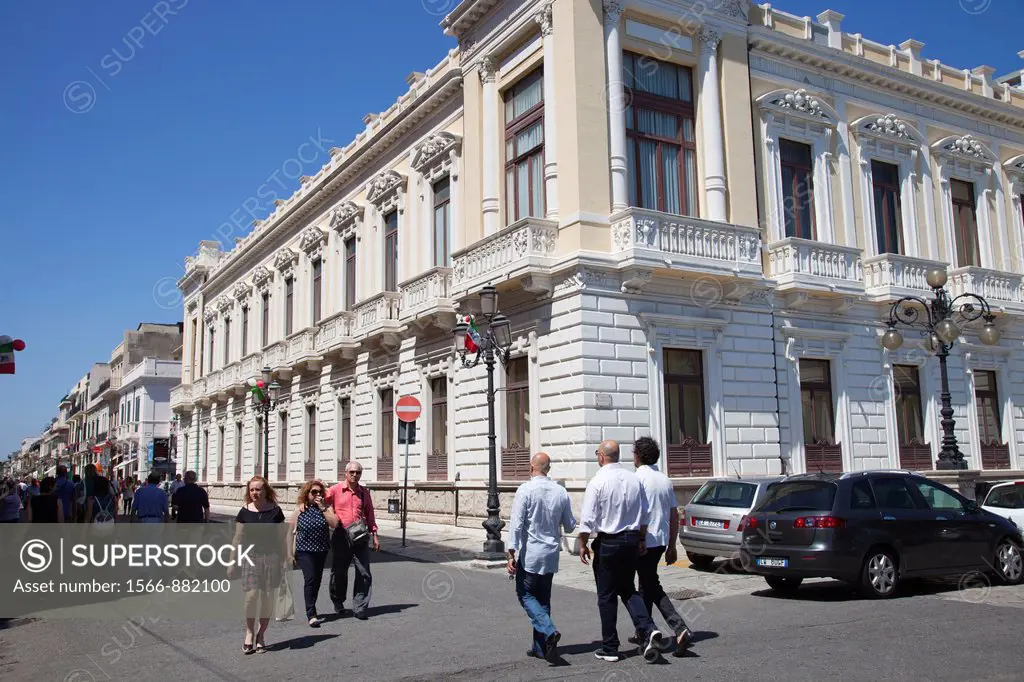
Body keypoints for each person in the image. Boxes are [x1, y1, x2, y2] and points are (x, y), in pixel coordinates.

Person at [578, 440, 663, 664]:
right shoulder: (634, 479)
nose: (597, 456)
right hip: (632, 541)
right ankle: (648, 628)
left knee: (606, 596)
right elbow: (646, 514)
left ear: (603, 456)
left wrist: (583, 543)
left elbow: (587, 519)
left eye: (597, 453)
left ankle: (610, 647)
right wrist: (642, 538)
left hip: (609, 542)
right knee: (628, 589)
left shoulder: (598, 481)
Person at [506, 452, 577, 663]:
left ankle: (549, 630)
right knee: (543, 599)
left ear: (531, 467)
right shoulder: (561, 492)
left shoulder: (525, 490)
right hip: (551, 554)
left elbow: (517, 523)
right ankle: (541, 648)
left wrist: (511, 551)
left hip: (531, 555)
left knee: (525, 594)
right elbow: (571, 525)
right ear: (548, 469)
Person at [631, 437, 691, 656]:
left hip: (644, 540)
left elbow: (639, 513)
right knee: (646, 585)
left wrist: (639, 539)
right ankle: (643, 632)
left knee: (650, 586)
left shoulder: (637, 478)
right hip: (661, 541)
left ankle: (679, 627)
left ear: (638, 455)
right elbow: (674, 515)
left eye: (633, 453)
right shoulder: (664, 479)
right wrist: (672, 544)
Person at [230, 476, 287, 654]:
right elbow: (237, 538)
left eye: (258, 489)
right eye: (252, 489)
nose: (255, 492)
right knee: (251, 596)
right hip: (251, 557)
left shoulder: (276, 512)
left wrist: (285, 560)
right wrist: (231, 562)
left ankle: (261, 634)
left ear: (265, 490)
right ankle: (249, 632)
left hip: (272, 558)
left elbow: (281, 538)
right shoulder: (244, 512)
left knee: (268, 598)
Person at [325, 461, 379, 619]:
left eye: (358, 473)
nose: (355, 475)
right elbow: (319, 500)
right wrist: (303, 504)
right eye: (352, 472)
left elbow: (370, 514)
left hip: (360, 537)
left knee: (364, 572)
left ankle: (360, 606)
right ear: (346, 473)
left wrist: (375, 534)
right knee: (339, 572)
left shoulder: (364, 492)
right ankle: (338, 601)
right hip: (341, 536)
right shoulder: (335, 490)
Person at [289, 480, 338, 627]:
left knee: (316, 580)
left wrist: (323, 508)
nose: (317, 495)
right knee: (310, 579)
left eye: (320, 492)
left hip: (321, 550)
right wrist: (289, 554)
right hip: (304, 550)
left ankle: (312, 606)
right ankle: (311, 613)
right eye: (313, 492)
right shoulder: (299, 510)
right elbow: (290, 533)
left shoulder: (326, 508)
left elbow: (334, 524)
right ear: (307, 494)